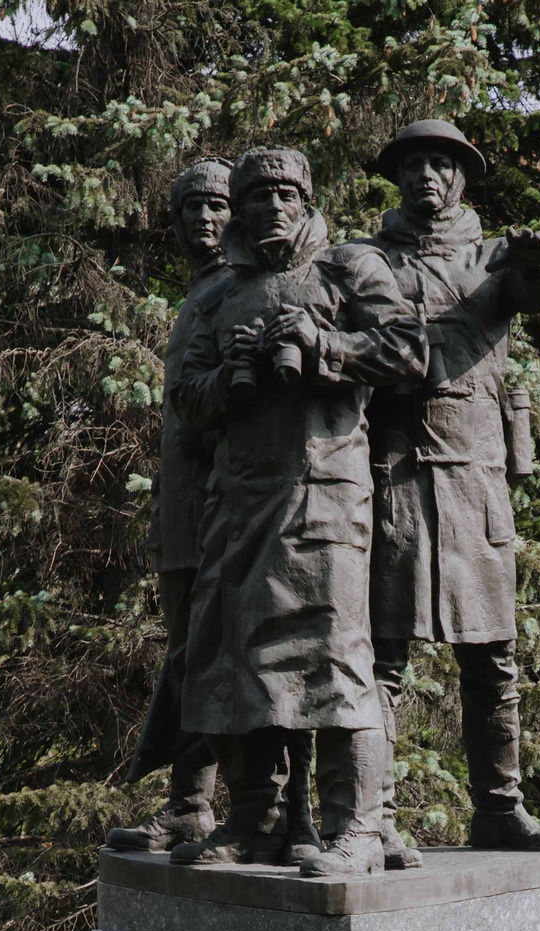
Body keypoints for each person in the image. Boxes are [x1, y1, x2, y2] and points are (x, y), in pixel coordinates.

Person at [169, 147, 428, 877]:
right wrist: (230, 375)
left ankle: (358, 828)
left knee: (339, 661)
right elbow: (186, 398)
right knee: (234, 664)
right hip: (240, 501)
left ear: (307, 199)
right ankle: (260, 819)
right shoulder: (223, 294)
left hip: (325, 494)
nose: (273, 208)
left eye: (288, 194)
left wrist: (323, 347)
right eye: (258, 197)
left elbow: (408, 351)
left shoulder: (349, 268)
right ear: (241, 209)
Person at [361, 118, 540, 857]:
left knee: (492, 659)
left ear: (460, 178)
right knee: (382, 659)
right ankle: (375, 817)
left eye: (441, 164)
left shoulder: (493, 257)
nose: (427, 175)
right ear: (398, 177)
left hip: (478, 479)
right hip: (397, 475)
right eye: (414, 162)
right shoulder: (370, 260)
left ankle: (500, 808)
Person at [108, 158, 235, 854]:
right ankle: (190, 804)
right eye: (190, 212)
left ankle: (217, 804)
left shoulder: (235, 291)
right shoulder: (198, 295)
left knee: (210, 656)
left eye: (216, 208)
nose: (203, 222)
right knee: (189, 656)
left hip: (222, 508)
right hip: (185, 513)